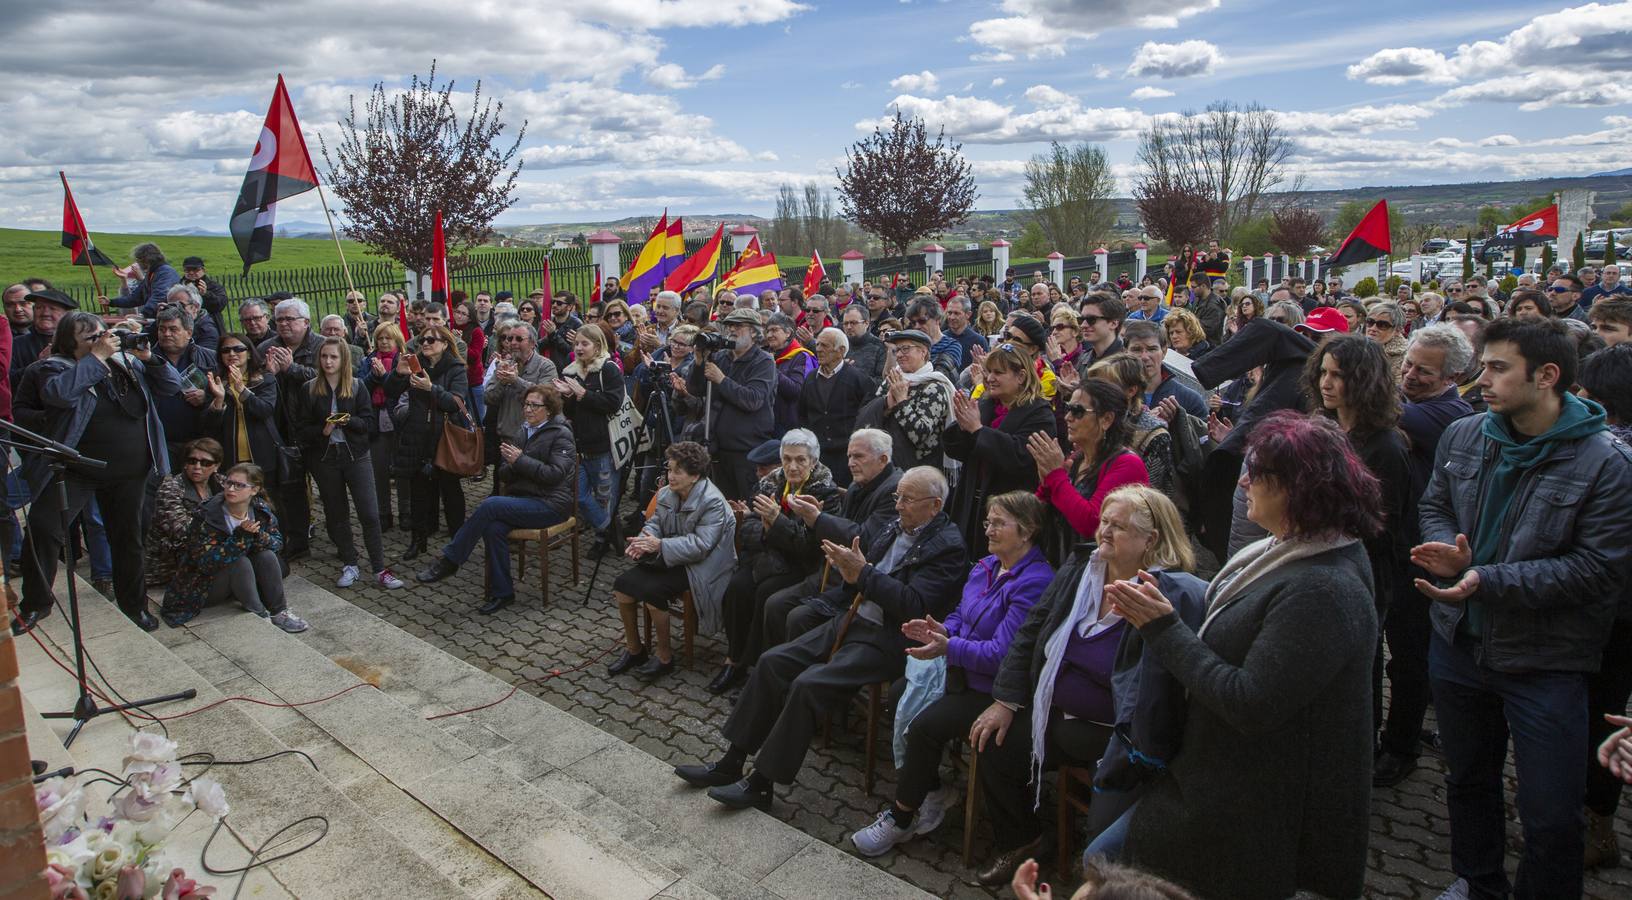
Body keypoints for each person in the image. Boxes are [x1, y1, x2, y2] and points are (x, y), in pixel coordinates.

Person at [1093, 412, 1381, 900]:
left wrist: (1163, 627)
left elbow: (1251, 702)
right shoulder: (1288, 553)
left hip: (1255, 805)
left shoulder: (1323, 589)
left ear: (1299, 488)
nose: (1243, 480)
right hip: (1220, 782)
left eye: (1258, 473)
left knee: (1109, 866)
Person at [1414, 318, 1632, 900]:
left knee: (1551, 811)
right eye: (1482, 365)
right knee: (1468, 781)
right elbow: (1436, 503)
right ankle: (1478, 883)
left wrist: (1486, 578)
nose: (1481, 379)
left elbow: (1598, 570)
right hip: (1458, 644)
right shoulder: (1466, 436)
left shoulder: (1606, 463)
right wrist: (1445, 547)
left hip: (1546, 660)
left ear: (1547, 376)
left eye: (1497, 367)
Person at [672, 466, 966, 810]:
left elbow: (914, 605)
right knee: (772, 662)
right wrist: (825, 532)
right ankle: (730, 763)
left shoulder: (948, 547)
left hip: (890, 638)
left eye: (907, 499)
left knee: (808, 684)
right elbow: (858, 538)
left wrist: (863, 574)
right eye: (896, 496)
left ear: (934, 505)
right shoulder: (898, 524)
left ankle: (761, 783)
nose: (898, 504)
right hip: (852, 617)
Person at [966, 486, 1204, 885]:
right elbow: (1031, 632)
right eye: (1104, 522)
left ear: (1152, 539)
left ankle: (1094, 872)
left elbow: (1160, 692)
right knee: (995, 740)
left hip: (1118, 737)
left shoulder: (1166, 595)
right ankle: (1024, 839)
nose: (1105, 532)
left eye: (1119, 526)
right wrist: (1006, 700)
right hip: (1056, 714)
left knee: (1103, 841)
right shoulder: (1081, 571)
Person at [850, 491, 1054, 859]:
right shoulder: (987, 566)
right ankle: (932, 790)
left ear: (1027, 531)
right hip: (962, 670)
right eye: (987, 521)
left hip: (996, 690)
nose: (988, 529)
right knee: (899, 695)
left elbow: (1003, 655)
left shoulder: (1035, 581)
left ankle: (902, 817)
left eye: (998, 523)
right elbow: (961, 612)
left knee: (926, 725)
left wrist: (949, 647)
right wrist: (942, 630)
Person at [12, 312, 182, 634]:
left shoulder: (126, 362)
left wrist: (148, 356)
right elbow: (59, 394)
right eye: (91, 338)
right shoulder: (55, 366)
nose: (103, 341)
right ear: (68, 342)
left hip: (131, 470)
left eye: (104, 334)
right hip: (78, 470)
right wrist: (97, 357)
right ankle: (35, 604)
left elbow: (172, 386)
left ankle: (134, 607)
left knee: (128, 539)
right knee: (44, 527)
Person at [1375, 323, 1477, 787]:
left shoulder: (1446, 414)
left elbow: (1372, 406)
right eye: (1408, 364)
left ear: (1453, 374)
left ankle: (1402, 746)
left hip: (1418, 554)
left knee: (1411, 658)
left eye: (1424, 371)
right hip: (1389, 545)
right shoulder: (1413, 404)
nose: (1410, 375)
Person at [1304, 333, 1414, 739]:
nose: (1326, 384)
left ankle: (1361, 745)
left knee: (1359, 670)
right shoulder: (1325, 428)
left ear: (1365, 380)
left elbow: (1385, 527)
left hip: (1363, 573)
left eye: (1339, 376)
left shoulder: (1386, 446)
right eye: (1324, 373)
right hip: (1322, 564)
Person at [416, 384, 577, 613]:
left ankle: (451, 560)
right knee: (493, 528)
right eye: (526, 405)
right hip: (524, 500)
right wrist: (512, 464)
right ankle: (503, 593)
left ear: (549, 410)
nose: (528, 410)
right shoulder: (523, 431)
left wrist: (520, 461)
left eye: (535, 405)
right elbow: (502, 472)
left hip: (551, 504)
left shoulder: (561, 434)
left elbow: (554, 475)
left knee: (490, 505)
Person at [715, 429, 843, 694]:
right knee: (737, 588)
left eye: (800, 460)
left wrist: (777, 522)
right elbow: (747, 528)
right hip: (768, 558)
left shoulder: (825, 494)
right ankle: (734, 658)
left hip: (801, 566)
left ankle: (759, 671)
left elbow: (809, 547)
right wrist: (765, 531)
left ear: (813, 462)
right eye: (786, 459)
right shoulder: (770, 483)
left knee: (766, 595)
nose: (792, 466)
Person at [1573, 344, 1632, 866]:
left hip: (1603, 610)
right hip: (1608, 610)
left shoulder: (1603, 456)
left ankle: (1595, 828)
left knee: (1599, 715)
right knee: (1603, 713)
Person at [609, 441, 737, 681]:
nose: (671, 476)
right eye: (669, 469)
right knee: (622, 586)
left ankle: (665, 656)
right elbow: (656, 522)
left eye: (678, 471)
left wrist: (660, 546)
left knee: (651, 592)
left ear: (695, 475)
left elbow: (701, 546)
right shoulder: (667, 492)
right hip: (670, 557)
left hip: (702, 567)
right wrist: (644, 540)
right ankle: (635, 650)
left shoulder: (713, 502)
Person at [296, 337, 402, 590]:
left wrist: (348, 421)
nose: (328, 361)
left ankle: (379, 568)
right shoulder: (309, 389)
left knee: (369, 513)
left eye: (333, 357)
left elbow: (368, 423)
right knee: (337, 513)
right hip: (325, 458)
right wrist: (322, 430)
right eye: (324, 357)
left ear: (343, 359)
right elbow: (300, 429)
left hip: (356, 455)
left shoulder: (356, 387)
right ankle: (350, 563)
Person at [161, 463, 308, 633]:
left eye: (239, 485)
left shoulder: (259, 510)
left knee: (266, 555)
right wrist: (240, 537)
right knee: (239, 561)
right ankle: (259, 614)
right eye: (228, 483)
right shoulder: (208, 514)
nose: (231, 489)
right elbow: (205, 562)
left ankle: (279, 611)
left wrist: (257, 535)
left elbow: (277, 543)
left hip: (241, 581)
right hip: (202, 585)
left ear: (254, 490)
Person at [945, 344, 1056, 560]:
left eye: (998, 372)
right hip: (970, 503)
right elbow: (957, 450)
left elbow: (1021, 458)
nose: (989, 378)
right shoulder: (986, 405)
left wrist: (978, 431)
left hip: (1009, 511)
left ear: (1021, 376)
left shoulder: (1039, 413)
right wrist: (961, 426)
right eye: (988, 372)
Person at [386, 323, 468, 561]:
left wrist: (432, 388)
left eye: (432, 340)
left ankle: (458, 542)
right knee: (418, 493)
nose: (425, 344)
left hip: (445, 438)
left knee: (451, 491)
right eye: (422, 340)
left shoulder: (456, 368)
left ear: (444, 343)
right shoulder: (414, 365)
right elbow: (390, 391)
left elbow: (455, 403)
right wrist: (398, 373)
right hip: (417, 436)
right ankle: (418, 541)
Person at [259, 297, 323, 560]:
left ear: (306, 322)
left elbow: (330, 381)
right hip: (283, 431)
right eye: (279, 319)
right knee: (290, 492)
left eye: (290, 319)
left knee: (329, 490)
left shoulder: (322, 345)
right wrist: (269, 373)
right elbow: (257, 384)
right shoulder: (266, 347)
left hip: (318, 430)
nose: (283, 324)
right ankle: (297, 542)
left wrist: (291, 369)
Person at [689, 309, 777, 501]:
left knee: (746, 505)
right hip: (717, 448)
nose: (732, 330)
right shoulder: (721, 357)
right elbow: (696, 389)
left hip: (746, 451)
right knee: (721, 504)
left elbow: (753, 400)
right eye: (729, 326)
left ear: (754, 332)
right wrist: (698, 363)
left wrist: (722, 380)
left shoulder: (764, 362)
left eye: (738, 326)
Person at [558, 323, 625, 557]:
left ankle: (601, 540)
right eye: (576, 343)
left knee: (606, 497)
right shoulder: (570, 371)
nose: (578, 348)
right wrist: (567, 397)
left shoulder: (608, 369)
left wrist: (583, 394)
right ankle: (610, 529)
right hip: (579, 445)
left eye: (584, 343)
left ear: (597, 346)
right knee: (580, 495)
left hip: (603, 446)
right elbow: (569, 412)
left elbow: (613, 403)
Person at [798, 327, 872, 487]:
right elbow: (802, 414)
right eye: (817, 345)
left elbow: (866, 415)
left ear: (841, 351)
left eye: (825, 345)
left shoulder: (858, 379)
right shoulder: (810, 378)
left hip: (846, 455)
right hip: (818, 455)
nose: (818, 349)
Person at [145, 437, 224, 588]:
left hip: (208, 549)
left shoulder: (221, 483)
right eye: (192, 461)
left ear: (216, 466)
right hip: (171, 565)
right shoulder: (170, 488)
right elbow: (184, 531)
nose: (197, 467)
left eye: (205, 463)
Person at [151, 304, 215, 467]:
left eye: (173, 329)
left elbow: (225, 392)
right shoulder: (146, 361)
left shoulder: (210, 358)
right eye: (162, 329)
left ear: (189, 333)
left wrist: (206, 396)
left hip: (199, 441)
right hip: (160, 442)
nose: (166, 334)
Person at [483, 320, 559, 445]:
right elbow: (488, 398)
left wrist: (516, 381)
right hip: (508, 437)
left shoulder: (546, 366)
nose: (513, 343)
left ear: (533, 343)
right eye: (510, 338)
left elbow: (547, 397)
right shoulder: (504, 365)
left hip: (536, 439)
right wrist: (501, 382)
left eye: (519, 339)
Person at [763, 313, 815, 437]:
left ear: (788, 333)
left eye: (775, 330)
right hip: (769, 423)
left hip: (790, 426)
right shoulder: (770, 355)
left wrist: (772, 368)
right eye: (768, 331)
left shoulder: (801, 356)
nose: (769, 335)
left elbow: (797, 390)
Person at [106, 242, 179, 317]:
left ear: (145, 260)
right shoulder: (152, 273)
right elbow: (136, 298)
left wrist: (143, 315)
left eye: (138, 259)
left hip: (167, 317)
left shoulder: (165, 272)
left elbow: (159, 296)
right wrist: (111, 302)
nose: (137, 262)